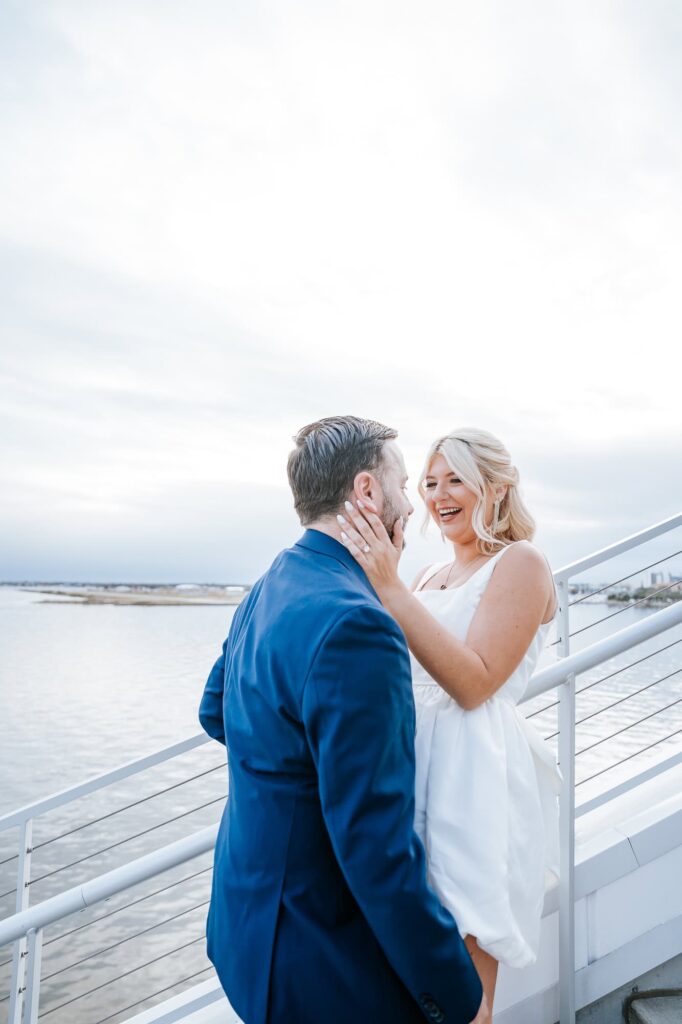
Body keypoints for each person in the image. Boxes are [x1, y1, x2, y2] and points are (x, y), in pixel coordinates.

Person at [199, 415, 488, 1024]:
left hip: (242, 926)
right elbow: (375, 846)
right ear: (366, 492)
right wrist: (454, 994)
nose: (411, 505)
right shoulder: (358, 624)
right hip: (315, 956)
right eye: (404, 485)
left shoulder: (269, 583)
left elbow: (214, 710)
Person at [336, 427, 561, 1014]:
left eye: (456, 478)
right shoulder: (427, 575)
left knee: (463, 976)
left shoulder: (521, 562)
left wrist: (389, 586)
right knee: (409, 961)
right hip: (411, 762)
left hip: (475, 774)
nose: (439, 495)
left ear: (497, 486)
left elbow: (474, 682)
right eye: (430, 483)